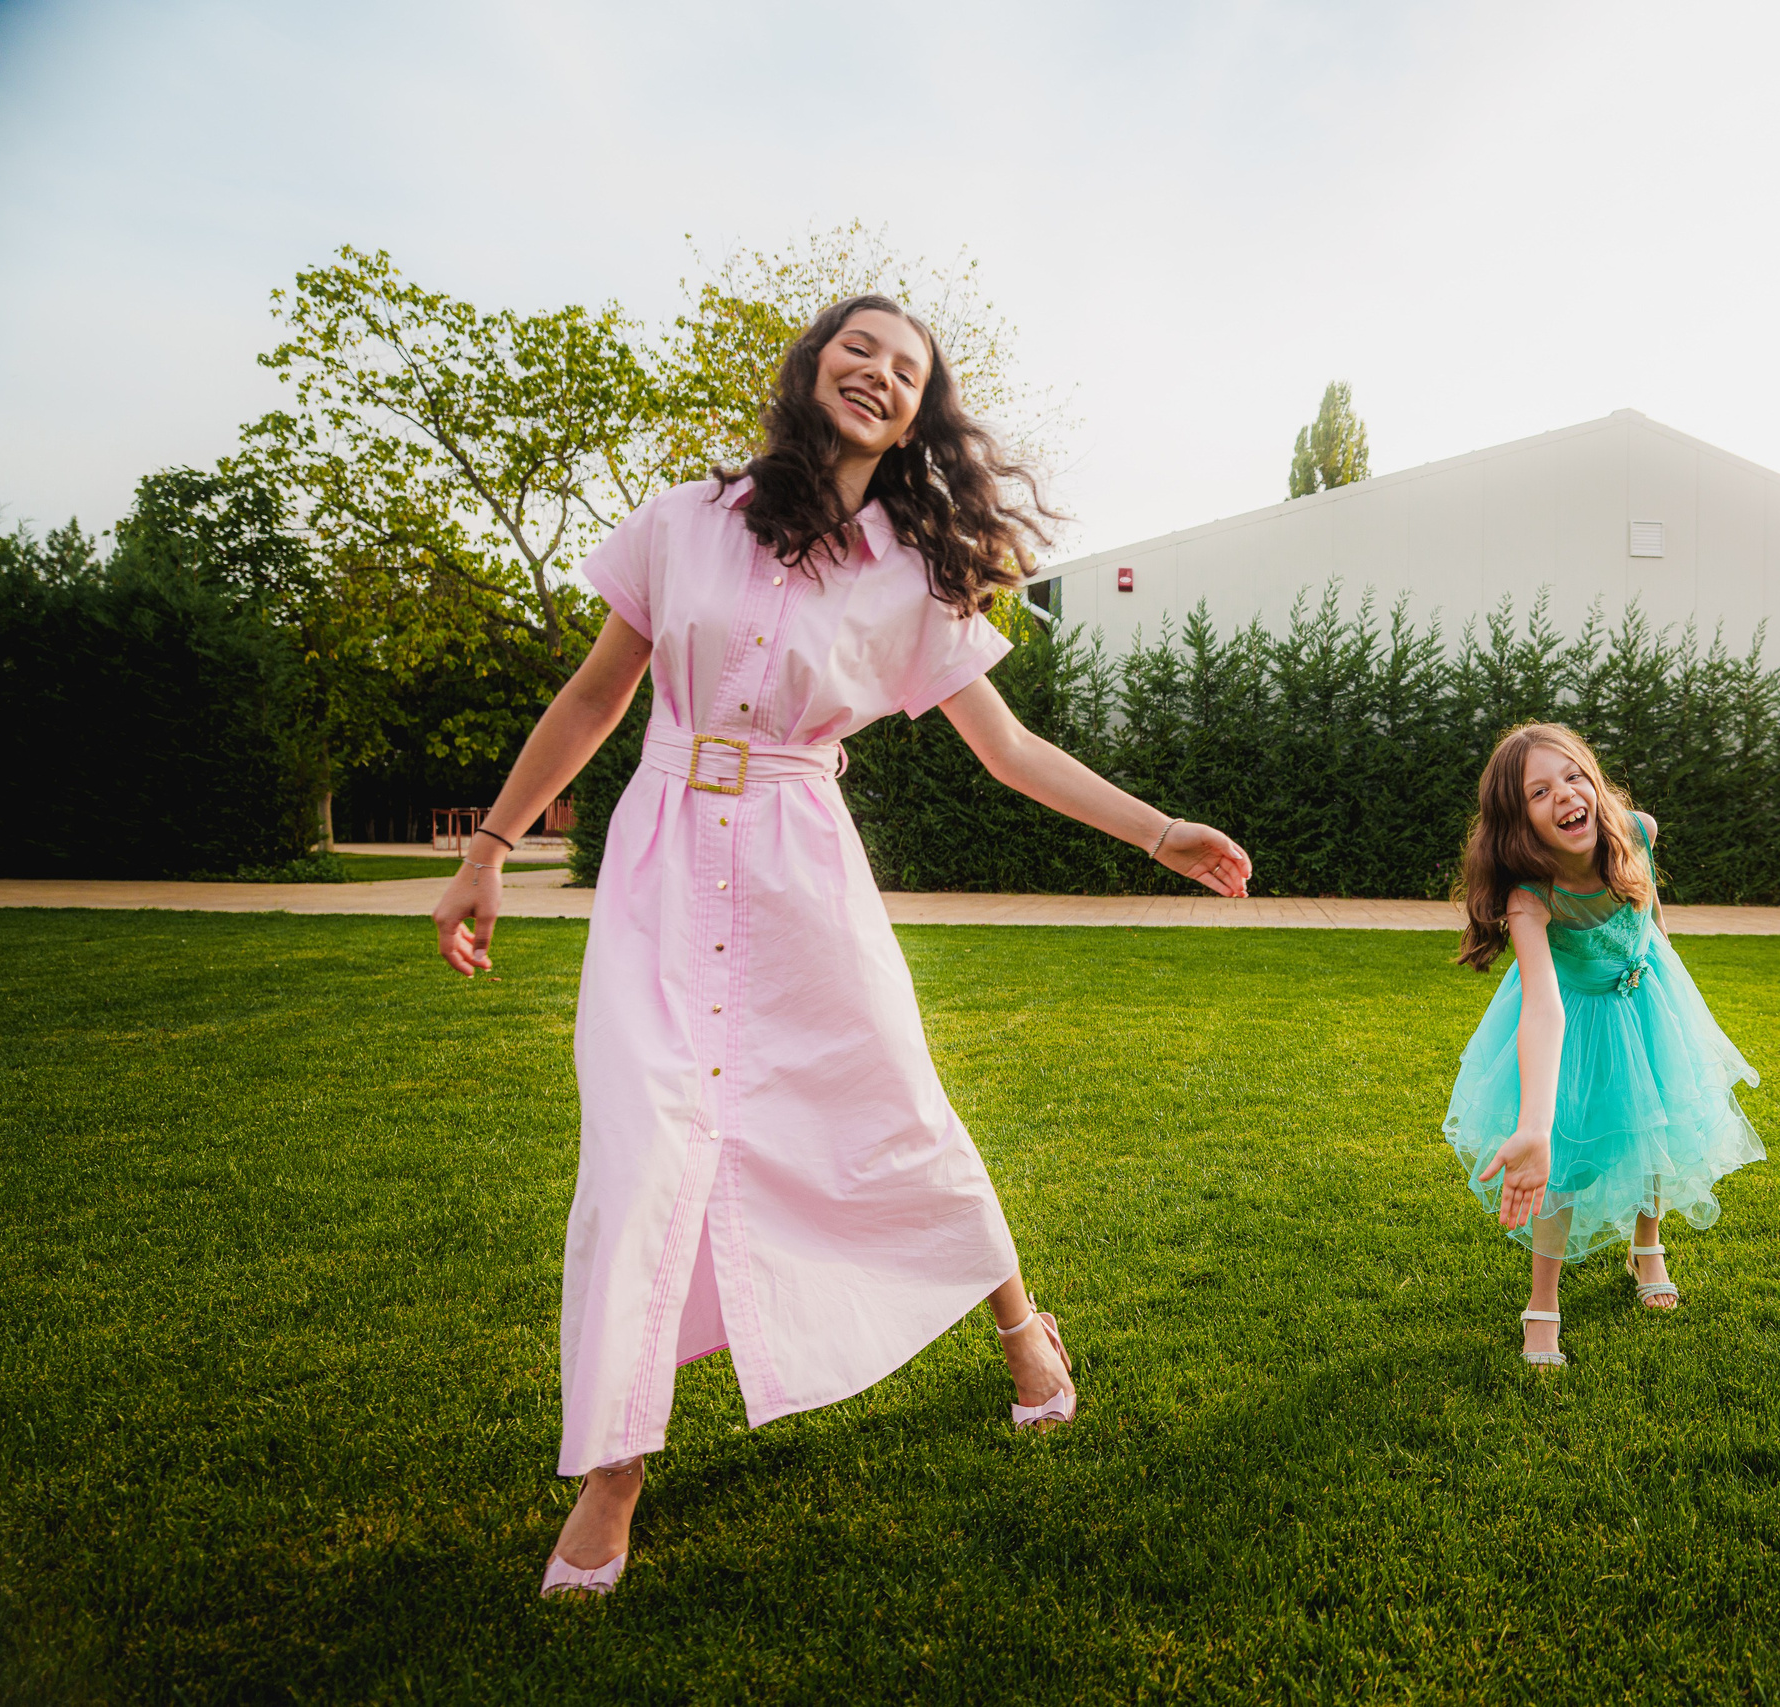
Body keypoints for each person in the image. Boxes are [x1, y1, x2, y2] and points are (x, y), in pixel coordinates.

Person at [429, 294, 1253, 1599]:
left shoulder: (914, 576)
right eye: (858, 346)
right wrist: (489, 846)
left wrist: (1157, 831)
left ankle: (1019, 1325)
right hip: (659, 865)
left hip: (801, 871)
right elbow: (594, 696)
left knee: (895, 1114)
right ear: (811, 365)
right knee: (641, 1152)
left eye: (907, 368)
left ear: (919, 415)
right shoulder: (681, 520)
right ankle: (614, 1470)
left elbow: (1009, 749)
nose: (878, 371)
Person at [1442, 723, 1763, 1366]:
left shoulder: (1638, 832)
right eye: (1539, 791)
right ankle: (1543, 1303)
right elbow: (1543, 1007)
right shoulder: (1531, 897)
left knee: (1657, 1124)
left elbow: (1652, 911)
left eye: (1573, 776)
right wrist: (1535, 1124)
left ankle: (1648, 1246)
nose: (1564, 795)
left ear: (1593, 781)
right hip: (1580, 1021)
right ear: (1517, 821)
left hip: (1649, 1000)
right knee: (1564, 1157)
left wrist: (1660, 966)